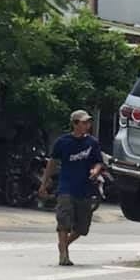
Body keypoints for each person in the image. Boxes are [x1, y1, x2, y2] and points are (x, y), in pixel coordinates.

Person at [39, 110, 103, 267]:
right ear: (75, 124)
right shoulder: (63, 142)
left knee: (82, 227)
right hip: (66, 187)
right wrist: (44, 183)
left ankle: (64, 244)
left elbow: (98, 162)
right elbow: (52, 163)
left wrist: (95, 170)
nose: (87, 125)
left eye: (88, 122)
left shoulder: (92, 143)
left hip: (85, 189)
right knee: (63, 221)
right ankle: (63, 255)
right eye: (84, 122)